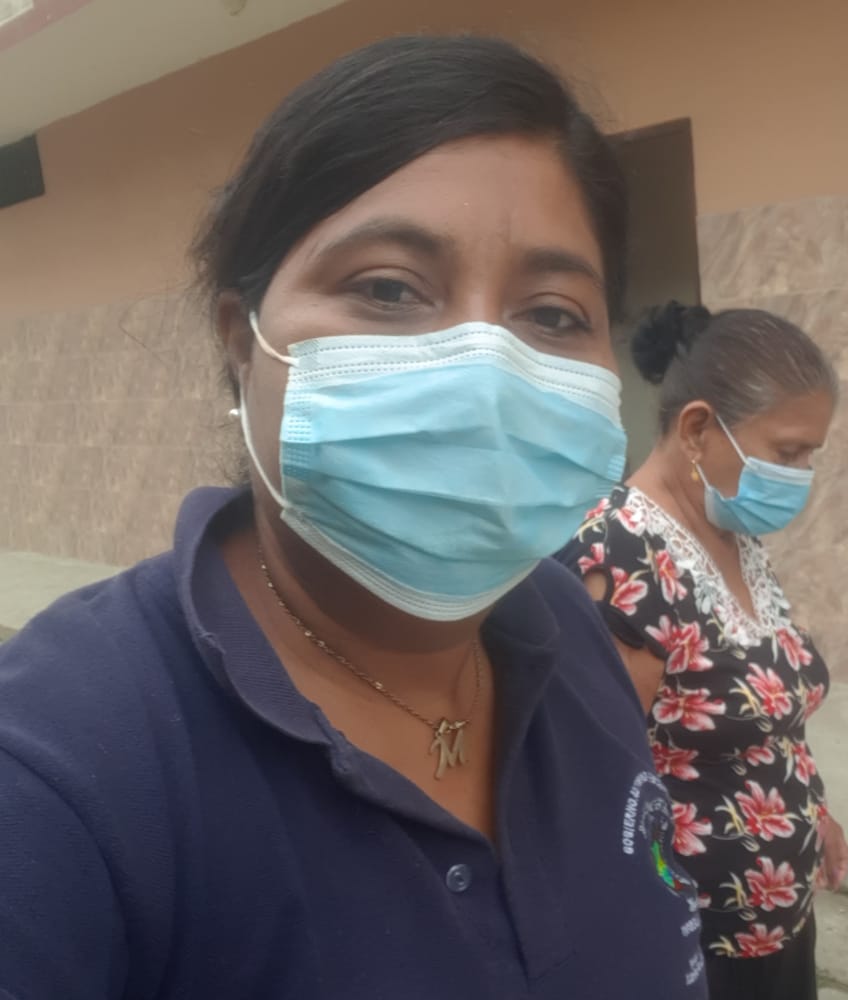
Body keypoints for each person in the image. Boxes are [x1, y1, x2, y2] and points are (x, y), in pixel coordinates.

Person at [0, 36, 708, 998]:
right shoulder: (60, 766)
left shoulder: (567, 632)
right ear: (242, 342)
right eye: (387, 289)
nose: (483, 374)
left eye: (551, 313)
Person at [556, 302, 848, 1000]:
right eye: (788, 452)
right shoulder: (623, 556)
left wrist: (812, 810)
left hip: (776, 927)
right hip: (693, 942)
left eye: (812, 453)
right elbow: (596, 781)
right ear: (696, 429)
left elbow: (761, 714)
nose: (803, 473)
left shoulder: (731, 535)